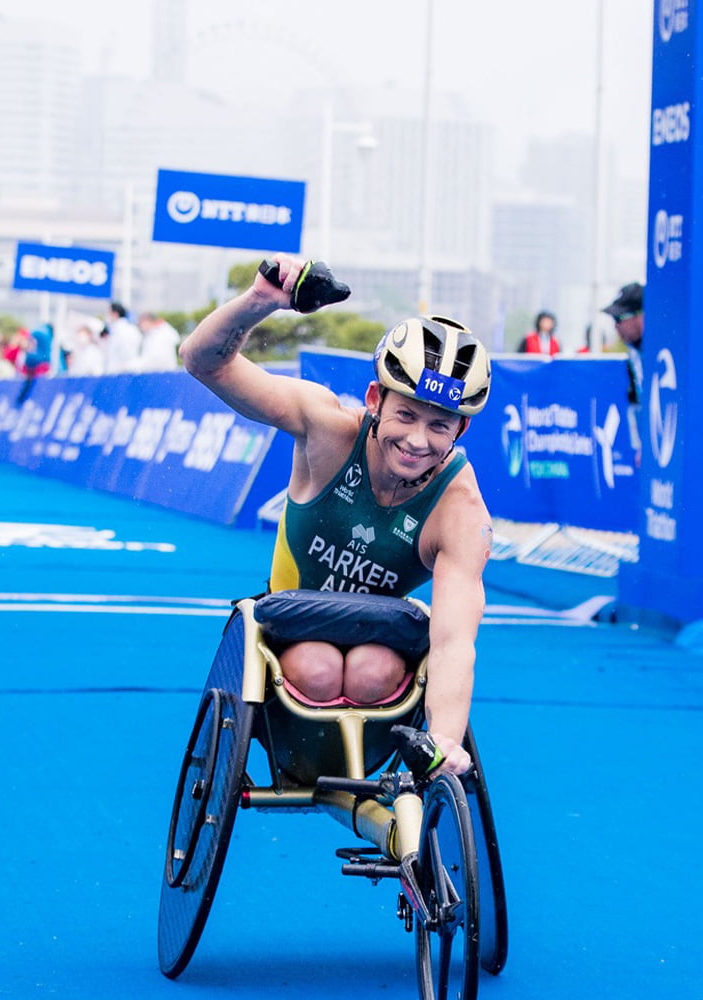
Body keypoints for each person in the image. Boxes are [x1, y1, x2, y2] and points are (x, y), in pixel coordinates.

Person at [180, 254, 493, 776]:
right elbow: (203, 361)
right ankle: (306, 759)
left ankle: (351, 768)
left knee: (375, 672)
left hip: (379, 654)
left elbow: (456, 638)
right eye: (406, 415)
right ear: (374, 399)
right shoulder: (326, 428)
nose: (417, 441)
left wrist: (443, 743)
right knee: (318, 668)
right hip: (289, 636)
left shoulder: (461, 510)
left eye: (440, 426)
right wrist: (261, 302)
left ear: (459, 432)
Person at [602, 282, 645, 405]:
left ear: (641, 315)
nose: (616, 326)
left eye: (619, 318)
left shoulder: (663, 353)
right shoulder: (632, 350)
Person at [103, 301, 142, 374]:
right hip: (124, 371)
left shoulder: (121, 331)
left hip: (121, 372)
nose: (107, 316)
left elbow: (125, 354)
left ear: (115, 314)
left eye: (108, 313)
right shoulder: (130, 329)